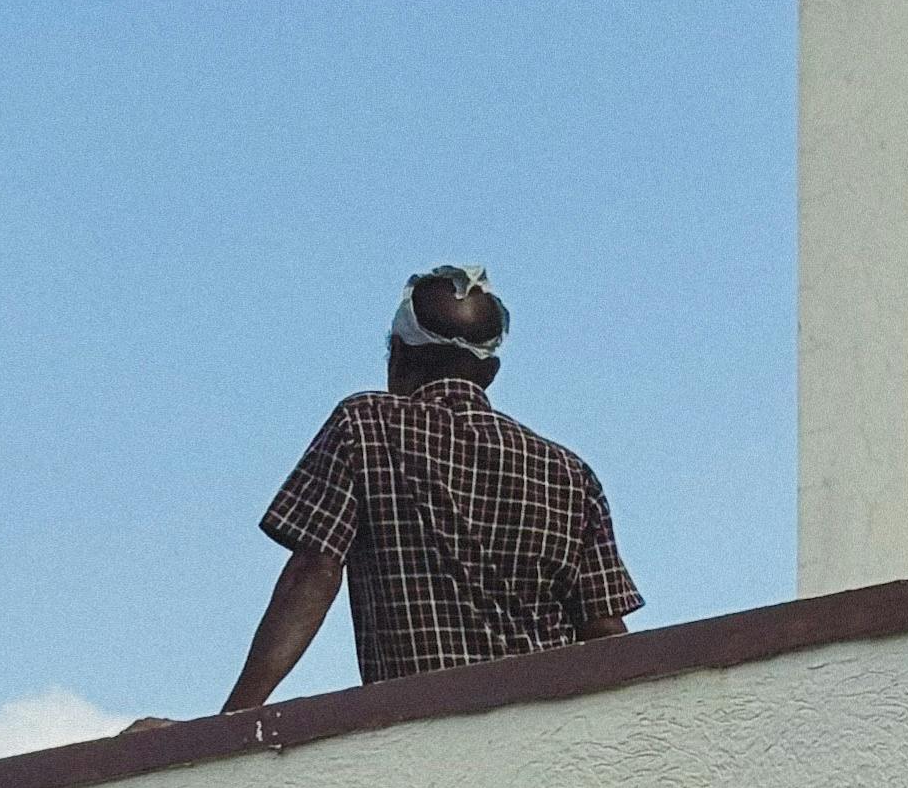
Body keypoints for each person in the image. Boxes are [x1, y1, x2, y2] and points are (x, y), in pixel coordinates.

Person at [218, 264, 642, 712]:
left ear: (398, 355)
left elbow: (315, 571)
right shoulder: (570, 474)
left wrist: (234, 719)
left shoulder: (365, 426)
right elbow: (604, 631)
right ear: (490, 373)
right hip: (545, 737)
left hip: (421, 735)